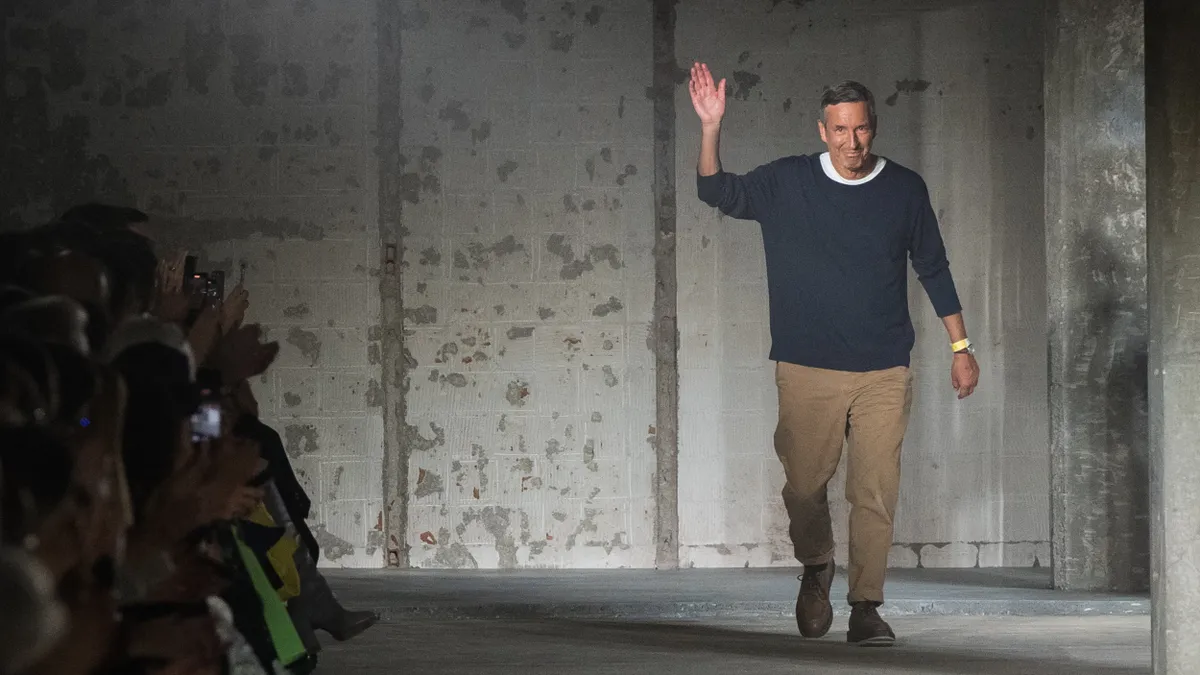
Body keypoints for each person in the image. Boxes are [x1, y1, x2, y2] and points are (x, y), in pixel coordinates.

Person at [689, 63, 981, 646]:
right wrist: (711, 127)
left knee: (874, 492)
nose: (853, 143)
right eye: (841, 131)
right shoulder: (787, 182)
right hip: (807, 365)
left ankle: (866, 606)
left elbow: (933, 266)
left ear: (874, 128)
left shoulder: (904, 189)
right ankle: (817, 564)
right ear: (822, 131)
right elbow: (715, 190)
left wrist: (960, 346)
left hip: (883, 366)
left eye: (863, 130)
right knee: (803, 487)